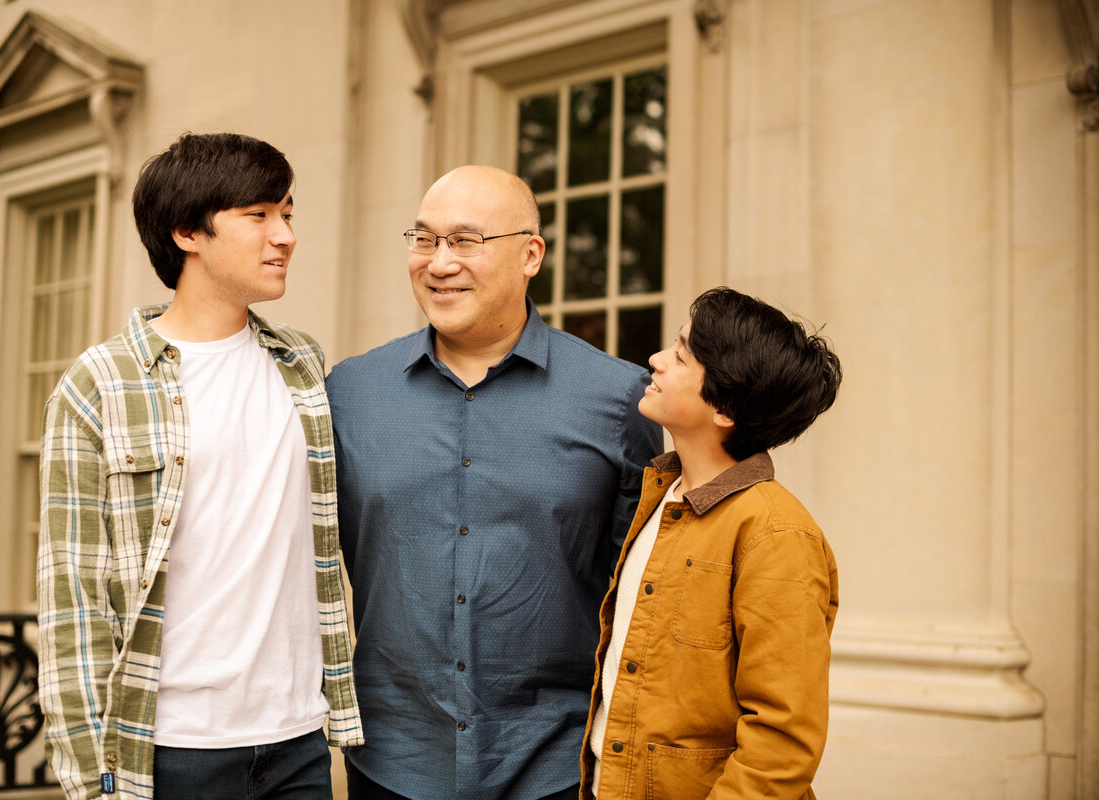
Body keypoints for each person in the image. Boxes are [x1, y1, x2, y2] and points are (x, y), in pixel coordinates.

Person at [36, 132, 363, 800]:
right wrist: (88, 779)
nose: (286, 236)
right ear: (188, 232)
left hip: (298, 742)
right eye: (259, 216)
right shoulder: (100, 383)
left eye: (288, 213)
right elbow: (73, 601)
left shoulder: (302, 365)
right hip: (170, 751)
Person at [326, 165, 662, 800]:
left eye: (466, 240)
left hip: (555, 764)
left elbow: (636, 592)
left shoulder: (619, 400)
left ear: (530, 254)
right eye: (424, 239)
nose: (439, 262)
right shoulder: (348, 394)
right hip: (390, 761)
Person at [580, 287, 842, 799]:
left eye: (679, 356)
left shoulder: (775, 535)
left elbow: (782, 742)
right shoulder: (658, 496)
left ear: (724, 407)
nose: (654, 361)